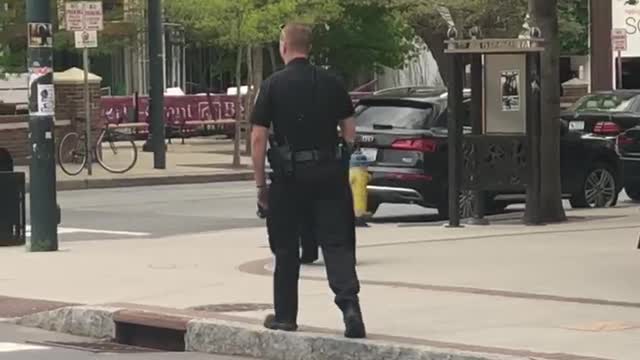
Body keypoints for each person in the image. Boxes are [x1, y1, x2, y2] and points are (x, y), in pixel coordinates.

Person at [250, 22, 366, 339]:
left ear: (283, 47)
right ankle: (350, 309)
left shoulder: (272, 86)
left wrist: (261, 186)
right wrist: (343, 157)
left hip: (289, 178)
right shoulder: (332, 82)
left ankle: (286, 316)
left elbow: (258, 139)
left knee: (286, 247)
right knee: (336, 243)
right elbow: (350, 127)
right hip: (328, 173)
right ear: (309, 48)